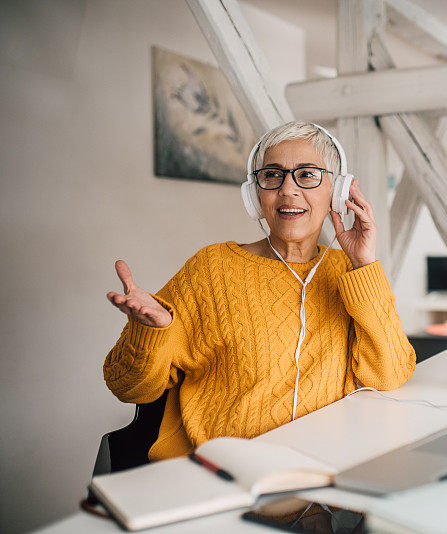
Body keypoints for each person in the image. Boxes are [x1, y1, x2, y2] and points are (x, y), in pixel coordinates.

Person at [104, 121, 416, 461]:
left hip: (322, 473)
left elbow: (389, 375)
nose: (287, 189)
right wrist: (148, 333)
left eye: (308, 175)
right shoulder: (211, 268)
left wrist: (364, 264)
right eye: (272, 175)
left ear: (338, 193)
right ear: (257, 195)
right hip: (222, 476)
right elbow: (127, 387)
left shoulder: (349, 271)